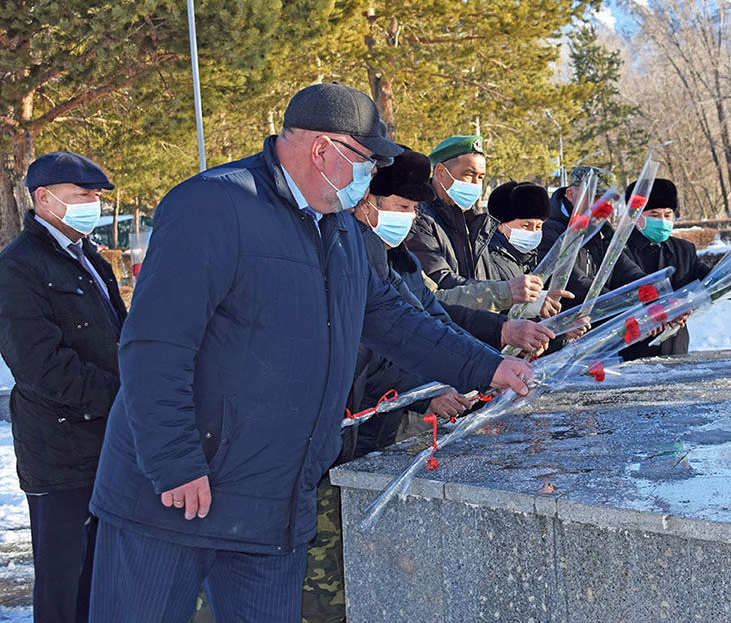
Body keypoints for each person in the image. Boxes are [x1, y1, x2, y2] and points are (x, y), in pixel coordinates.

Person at [87, 83, 533, 622]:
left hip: (274, 501)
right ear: (323, 150)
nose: (370, 178)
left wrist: (489, 366)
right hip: (176, 497)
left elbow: (396, 320)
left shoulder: (340, 229)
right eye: (367, 163)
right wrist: (174, 462)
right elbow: (155, 347)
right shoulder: (216, 205)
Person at [302, 148, 556, 622]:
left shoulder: (395, 259)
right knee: (324, 580)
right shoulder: (343, 255)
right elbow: (369, 347)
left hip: (371, 437)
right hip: (333, 438)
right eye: (402, 207)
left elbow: (433, 320)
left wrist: (487, 363)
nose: (411, 217)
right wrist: (428, 388)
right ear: (366, 202)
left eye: (415, 208)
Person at [0, 151, 127, 623]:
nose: (93, 204)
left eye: (95, 196)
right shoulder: (18, 267)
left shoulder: (88, 256)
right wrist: (125, 397)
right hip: (60, 454)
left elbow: (118, 335)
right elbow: (43, 367)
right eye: (83, 196)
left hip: (106, 446)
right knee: (65, 587)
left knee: (102, 579)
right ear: (44, 199)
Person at [620, 177, 731, 359]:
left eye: (667, 215)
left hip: (675, 349)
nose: (662, 221)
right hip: (630, 351)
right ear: (636, 215)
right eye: (654, 215)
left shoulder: (683, 250)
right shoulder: (619, 251)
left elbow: (711, 281)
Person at [406, 135, 543, 313]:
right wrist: (508, 294)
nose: (476, 184)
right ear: (440, 172)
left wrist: (530, 305)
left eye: (480, 177)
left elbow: (485, 280)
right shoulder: (419, 219)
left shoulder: (475, 222)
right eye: (469, 175)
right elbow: (443, 284)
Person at [538, 165, 647, 303]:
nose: (604, 204)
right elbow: (572, 280)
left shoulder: (600, 229)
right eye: (595, 197)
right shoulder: (548, 230)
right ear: (571, 194)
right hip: (563, 317)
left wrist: (650, 290)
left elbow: (621, 266)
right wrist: (619, 303)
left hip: (594, 316)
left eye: (608, 199)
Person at [486, 180, 552, 282]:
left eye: (538, 226)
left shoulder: (527, 260)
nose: (533, 232)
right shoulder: (489, 260)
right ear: (500, 226)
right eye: (526, 226)